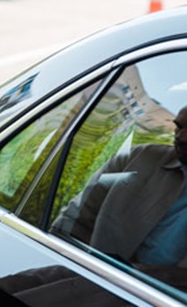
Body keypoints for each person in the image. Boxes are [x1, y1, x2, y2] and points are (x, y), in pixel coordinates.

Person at [52, 106, 187, 270]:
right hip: (81, 272)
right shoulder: (136, 159)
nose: (181, 137)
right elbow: (72, 223)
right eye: (179, 126)